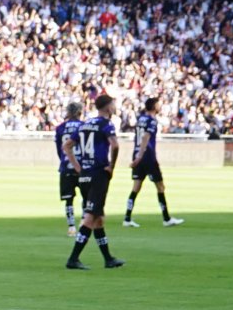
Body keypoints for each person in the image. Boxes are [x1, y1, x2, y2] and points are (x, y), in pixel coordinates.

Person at [63, 94, 125, 270]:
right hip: (98, 174)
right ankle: (73, 259)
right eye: (113, 104)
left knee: (98, 218)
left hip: (84, 176)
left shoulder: (85, 124)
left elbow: (67, 146)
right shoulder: (106, 124)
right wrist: (111, 166)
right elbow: (115, 145)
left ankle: (108, 259)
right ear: (107, 107)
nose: (114, 108)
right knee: (90, 217)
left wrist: (78, 168)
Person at [123, 96, 184, 228]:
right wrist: (140, 156)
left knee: (136, 187)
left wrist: (136, 156)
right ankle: (166, 218)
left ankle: (127, 218)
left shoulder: (140, 119)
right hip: (147, 157)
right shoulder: (152, 120)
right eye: (158, 104)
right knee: (160, 187)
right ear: (154, 106)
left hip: (137, 154)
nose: (160, 106)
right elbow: (146, 137)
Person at [55, 102, 84, 237]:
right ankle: (84, 222)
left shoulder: (60, 128)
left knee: (68, 199)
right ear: (79, 112)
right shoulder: (84, 126)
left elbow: (59, 150)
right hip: (82, 165)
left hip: (66, 166)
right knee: (87, 196)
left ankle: (71, 227)